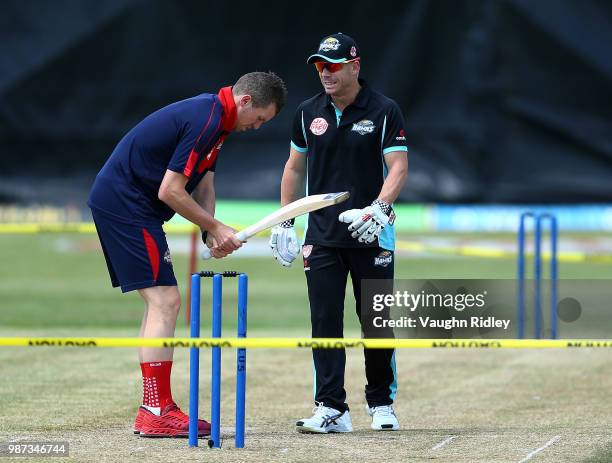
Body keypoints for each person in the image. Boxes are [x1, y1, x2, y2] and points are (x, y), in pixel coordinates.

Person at [88, 72, 287, 437]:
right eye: (259, 119)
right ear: (245, 101)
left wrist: (208, 230)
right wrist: (215, 226)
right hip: (126, 204)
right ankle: (155, 410)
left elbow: (204, 182)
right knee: (165, 301)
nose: (257, 127)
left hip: (131, 204)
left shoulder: (219, 121)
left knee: (161, 302)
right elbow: (171, 191)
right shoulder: (206, 119)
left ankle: (154, 407)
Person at [270, 33, 408, 433]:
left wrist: (380, 210)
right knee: (324, 321)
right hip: (323, 235)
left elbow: (397, 167)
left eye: (332, 66)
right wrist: (285, 220)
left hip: (372, 233)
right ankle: (332, 408)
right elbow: (294, 168)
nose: (325, 73)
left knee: (376, 319)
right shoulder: (307, 112)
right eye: (319, 67)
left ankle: (381, 403)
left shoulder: (384, 110)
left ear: (354, 66)